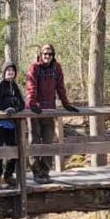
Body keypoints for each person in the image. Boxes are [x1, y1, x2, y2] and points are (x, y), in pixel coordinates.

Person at [25, 44, 78, 182]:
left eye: (50, 54)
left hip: (49, 109)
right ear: (41, 55)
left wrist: (66, 103)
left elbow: (60, 87)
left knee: (48, 141)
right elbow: (31, 86)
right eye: (45, 54)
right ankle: (36, 173)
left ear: (53, 55)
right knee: (35, 141)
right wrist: (32, 103)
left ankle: (45, 171)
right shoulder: (34, 67)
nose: (47, 56)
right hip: (35, 110)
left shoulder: (56, 68)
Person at [0, 61, 24, 189]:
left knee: (13, 150)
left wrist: (14, 108)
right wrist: (9, 104)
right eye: (8, 70)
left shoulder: (14, 86)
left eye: (12, 71)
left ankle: (8, 176)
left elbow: (22, 103)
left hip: (11, 123)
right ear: (4, 72)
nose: (10, 72)